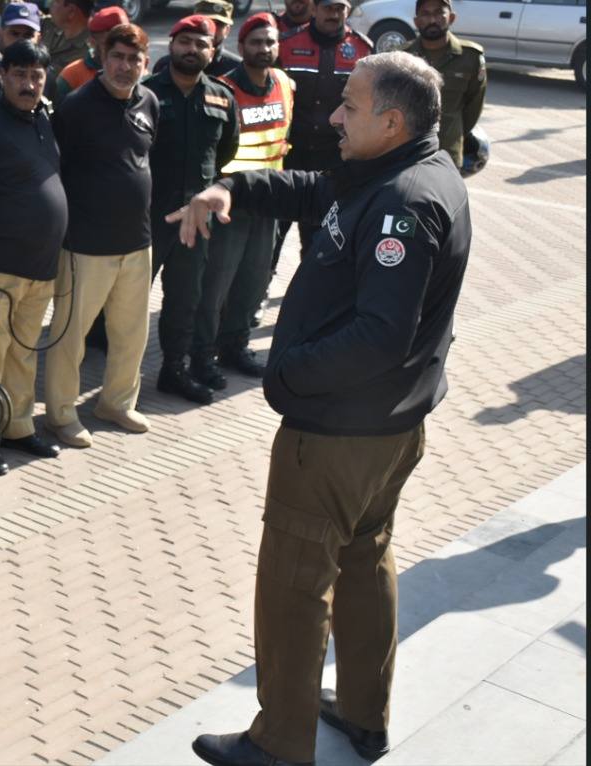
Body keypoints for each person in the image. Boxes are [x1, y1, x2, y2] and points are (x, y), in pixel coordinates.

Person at [172, 52, 470, 766]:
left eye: (351, 108)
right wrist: (233, 190)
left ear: (392, 122)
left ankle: (279, 744)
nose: (334, 117)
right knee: (365, 562)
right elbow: (318, 192)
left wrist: (287, 378)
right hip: (386, 431)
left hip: (338, 435)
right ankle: (365, 713)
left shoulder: (404, 201)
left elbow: (379, 336)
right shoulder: (394, 174)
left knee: (293, 587)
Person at [43, 23, 158, 449]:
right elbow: (56, 169)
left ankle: (116, 403)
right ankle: (60, 415)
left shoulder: (149, 101)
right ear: (102, 58)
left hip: (137, 242)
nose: (125, 67)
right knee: (70, 337)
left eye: (134, 59)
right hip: (85, 246)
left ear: (144, 63)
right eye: (118, 57)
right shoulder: (76, 107)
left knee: (132, 334)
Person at [0, 40, 66, 476]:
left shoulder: (44, 120)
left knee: (23, 355)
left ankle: (17, 427)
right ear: (2, 76)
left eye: (36, 75)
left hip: (40, 266)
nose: (28, 84)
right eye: (19, 74)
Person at [192, 13, 294, 381]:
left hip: (269, 202)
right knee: (215, 285)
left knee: (252, 283)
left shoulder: (284, 83)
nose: (264, 49)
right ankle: (201, 354)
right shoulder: (222, 89)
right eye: (256, 42)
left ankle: (235, 346)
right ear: (240, 47)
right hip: (229, 204)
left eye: (270, 42)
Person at [143, 14, 238, 405]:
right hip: (148, 216)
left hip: (195, 219)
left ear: (213, 52)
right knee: (127, 301)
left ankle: (174, 371)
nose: (192, 50)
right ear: (171, 45)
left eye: (201, 44)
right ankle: (118, 376)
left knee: (185, 299)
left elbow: (227, 151)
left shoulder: (222, 96)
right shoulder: (145, 93)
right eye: (185, 42)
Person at [278, 0, 372, 259]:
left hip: (332, 158)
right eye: (328, 8)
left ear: (348, 11)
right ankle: (262, 281)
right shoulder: (286, 44)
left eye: (340, 9)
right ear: (315, 9)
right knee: (276, 225)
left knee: (320, 234)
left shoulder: (363, 49)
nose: (334, 14)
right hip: (290, 154)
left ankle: (310, 290)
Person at [403, 0, 485, 169]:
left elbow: (473, 107)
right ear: (416, 21)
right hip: (408, 152)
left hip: (448, 153)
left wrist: (453, 131)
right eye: (425, 14)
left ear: (452, 17)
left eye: (439, 13)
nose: (433, 20)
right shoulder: (403, 57)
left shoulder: (470, 57)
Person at [0, 0, 91, 98]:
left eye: (28, 35)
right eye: (15, 34)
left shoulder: (90, 47)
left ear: (39, 38)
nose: (21, 41)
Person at [53, 5, 128, 107]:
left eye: (126, 44)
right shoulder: (71, 75)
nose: (120, 51)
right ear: (93, 42)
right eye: (110, 45)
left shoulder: (136, 71)